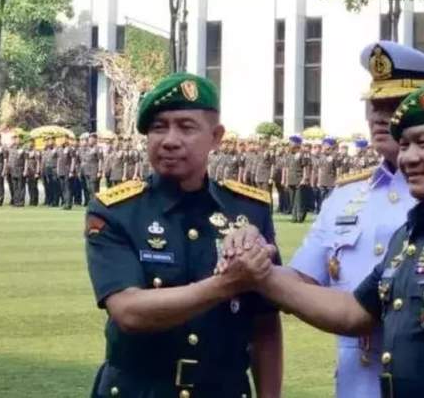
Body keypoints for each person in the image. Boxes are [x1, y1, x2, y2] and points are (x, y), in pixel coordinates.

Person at [220, 80, 424, 398]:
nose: (408, 158)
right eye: (404, 145)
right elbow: (353, 312)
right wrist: (259, 274)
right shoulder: (413, 234)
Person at [84, 72, 282, 398]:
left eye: (186, 127)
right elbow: (128, 311)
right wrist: (225, 284)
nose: (170, 139)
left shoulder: (249, 211)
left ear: (216, 137)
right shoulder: (115, 211)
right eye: (159, 127)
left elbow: (264, 324)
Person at [284, 41, 424, 397]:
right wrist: (247, 261)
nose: (379, 116)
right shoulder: (347, 195)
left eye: (394, 105)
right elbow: (301, 277)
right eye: (374, 104)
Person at [7, 135, 26, 207]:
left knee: (21, 186)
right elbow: (9, 160)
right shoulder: (11, 149)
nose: (16, 141)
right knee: (15, 187)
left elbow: (26, 160)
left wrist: (25, 170)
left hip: (20, 169)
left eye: (18, 139)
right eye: (15, 139)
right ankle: (16, 201)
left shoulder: (23, 149)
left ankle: (21, 202)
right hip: (13, 170)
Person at [25, 138, 42, 206]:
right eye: (29, 142)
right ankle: (31, 200)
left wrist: (37, 172)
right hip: (29, 172)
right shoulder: (27, 151)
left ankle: (35, 201)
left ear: (33, 143)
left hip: (34, 171)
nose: (29, 144)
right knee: (30, 187)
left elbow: (38, 162)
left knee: (34, 187)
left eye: (31, 142)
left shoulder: (36, 151)